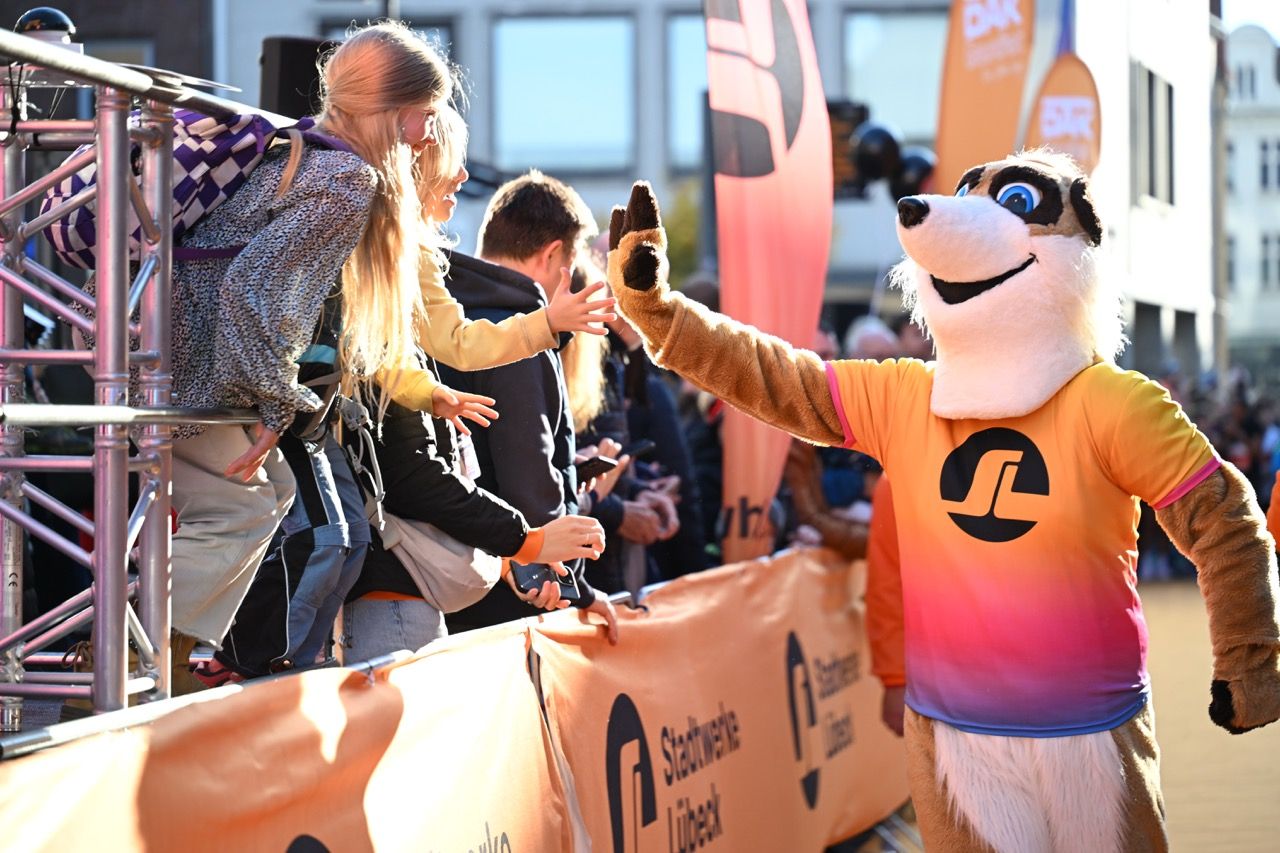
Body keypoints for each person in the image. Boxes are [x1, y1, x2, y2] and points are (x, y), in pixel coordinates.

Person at [211, 99, 615, 682]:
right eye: (451, 163)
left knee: (334, 544)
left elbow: (425, 352)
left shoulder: (412, 274)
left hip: (399, 581)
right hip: (394, 588)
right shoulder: (375, 262)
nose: (464, 180)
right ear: (416, 169)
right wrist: (529, 544)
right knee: (328, 540)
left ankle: (254, 661)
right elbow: (416, 467)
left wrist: (435, 392)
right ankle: (243, 658)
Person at [163, 22, 460, 689]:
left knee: (267, 497)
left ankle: (156, 654)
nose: (427, 137)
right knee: (243, 508)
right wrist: (275, 403)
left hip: (158, 353)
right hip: (188, 369)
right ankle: (146, 655)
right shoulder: (344, 177)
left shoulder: (298, 147)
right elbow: (254, 289)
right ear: (395, 112)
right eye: (425, 117)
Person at [441, 171, 615, 631]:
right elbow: (528, 469)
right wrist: (565, 577)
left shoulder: (438, 316)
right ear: (554, 254)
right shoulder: (521, 332)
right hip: (515, 591)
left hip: (447, 575)